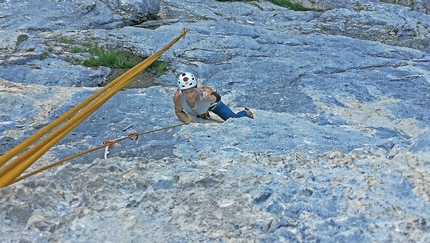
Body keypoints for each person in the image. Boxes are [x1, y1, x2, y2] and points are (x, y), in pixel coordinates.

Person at [173, 72, 253, 124]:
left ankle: (246, 112)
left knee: (234, 120)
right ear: (182, 91)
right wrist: (188, 121)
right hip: (199, 110)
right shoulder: (178, 97)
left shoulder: (204, 90)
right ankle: (204, 113)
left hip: (213, 105)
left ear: (196, 87)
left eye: (192, 91)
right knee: (201, 111)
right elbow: (178, 111)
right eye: (186, 93)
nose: (190, 95)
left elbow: (217, 97)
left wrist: (207, 99)